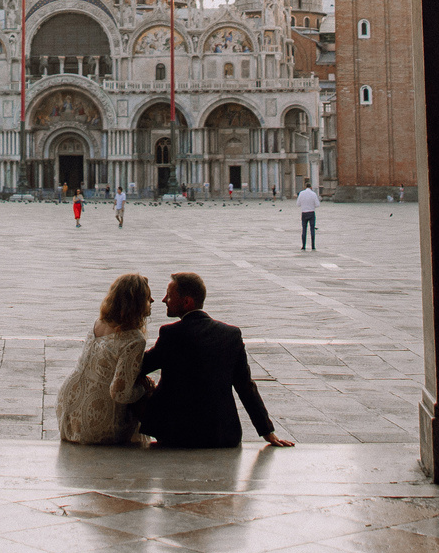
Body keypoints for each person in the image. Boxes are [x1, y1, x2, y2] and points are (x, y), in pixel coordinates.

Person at [133, 272, 293, 448]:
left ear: (187, 302)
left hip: (178, 434)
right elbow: (245, 386)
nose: (164, 300)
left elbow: (138, 368)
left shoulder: (171, 334)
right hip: (222, 434)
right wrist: (267, 431)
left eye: (169, 296)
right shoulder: (231, 334)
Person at [56, 273, 156, 444]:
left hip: (69, 404)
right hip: (96, 414)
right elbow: (120, 393)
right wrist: (144, 388)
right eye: (148, 297)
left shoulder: (98, 323)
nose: (152, 300)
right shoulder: (134, 339)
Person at [297, 180, 319, 250]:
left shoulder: (301, 193)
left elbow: (298, 204)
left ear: (305, 187)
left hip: (304, 213)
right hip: (311, 212)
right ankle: (313, 245)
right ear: (311, 187)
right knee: (312, 229)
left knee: (304, 229)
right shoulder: (313, 194)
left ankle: (303, 245)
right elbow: (317, 204)